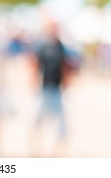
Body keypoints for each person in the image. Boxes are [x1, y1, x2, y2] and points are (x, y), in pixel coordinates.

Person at [31, 18, 71, 156]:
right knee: (38, 116)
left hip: (57, 87)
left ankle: (59, 147)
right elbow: (34, 64)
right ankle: (35, 144)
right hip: (43, 87)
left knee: (60, 119)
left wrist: (66, 81)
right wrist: (33, 82)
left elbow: (65, 65)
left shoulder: (60, 46)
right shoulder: (42, 45)